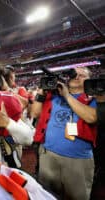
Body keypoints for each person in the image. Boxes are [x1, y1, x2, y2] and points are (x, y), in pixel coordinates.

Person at [31, 67, 97, 200]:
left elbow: (91, 117)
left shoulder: (95, 97)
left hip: (77, 159)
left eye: (82, 75)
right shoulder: (54, 94)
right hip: (47, 154)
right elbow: (35, 113)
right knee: (46, 194)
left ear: (90, 81)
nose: (77, 76)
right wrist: (41, 93)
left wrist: (67, 95)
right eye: (74, 74)